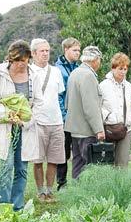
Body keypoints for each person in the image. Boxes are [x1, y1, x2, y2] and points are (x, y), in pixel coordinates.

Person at [0, 40, 43, 211]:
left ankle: (17, 207)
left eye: (24, 60)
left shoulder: (34, 75)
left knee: (21, 168)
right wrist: (6, 114)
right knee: (6, 167)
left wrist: (26, 121)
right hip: (5, 127)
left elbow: (38, 103)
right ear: (10, 59)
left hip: (24, 127)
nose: (21, 64)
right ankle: (3, 206)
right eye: (17, 61)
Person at [30, 38, 67, 203]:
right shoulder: (29, 72)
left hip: (56, 120)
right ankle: (40, 191)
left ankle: (50, 190)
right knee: (37, 160)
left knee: (54, 159)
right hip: (37, 121)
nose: (45, 54)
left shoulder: (56, 71)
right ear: (33, 53)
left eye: (47, 50)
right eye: (42, 51)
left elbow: (60, 94)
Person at [64, 46, 105, 180]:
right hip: (86, 129)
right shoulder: (88, 75)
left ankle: (77, 192)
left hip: (74, 128)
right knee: (90, 164)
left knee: (77, 163)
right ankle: (90, 194)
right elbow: (91, 106)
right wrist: (98, 129)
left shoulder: (75, 72)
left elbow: (67, 101)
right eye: (100, 59)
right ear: (95, 60)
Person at [98, 52, 131, 168]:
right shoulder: (103, 85)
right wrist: (107, 116)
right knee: (107, 162)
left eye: (125, 69)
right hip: (109, 128)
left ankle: (122, 185)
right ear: (113, 68)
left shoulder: (129, 86)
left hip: (126, 128)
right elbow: (97, 106)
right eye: (120, 69)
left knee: (122, 163)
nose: (123, 72)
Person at [55, 37, 81, 190]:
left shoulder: (78, 68)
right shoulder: (58, 69)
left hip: (78, 116)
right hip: (64, 116)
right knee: (63, 151)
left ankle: (78, 179)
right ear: (66, 50)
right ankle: (61, 182)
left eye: (78, 50)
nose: (77, 53)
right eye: (74, 50)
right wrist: (64, 115)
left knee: (78, 149)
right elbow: (59, 95)